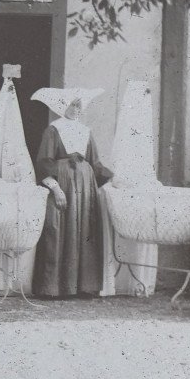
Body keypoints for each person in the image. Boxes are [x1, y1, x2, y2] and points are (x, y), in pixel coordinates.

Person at [30, 88, 113, 298]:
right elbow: (44, 162)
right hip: (62, 185)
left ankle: (83, 287)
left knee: (85, 230)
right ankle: (54, 288)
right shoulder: (53, 130)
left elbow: (96, 164)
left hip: (85, 188)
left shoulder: (86, 131)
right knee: (57, 230)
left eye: (78, 105)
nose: (76, 109)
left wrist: (113, 177)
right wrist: (55, 188)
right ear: (61, 106)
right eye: (71, 105)